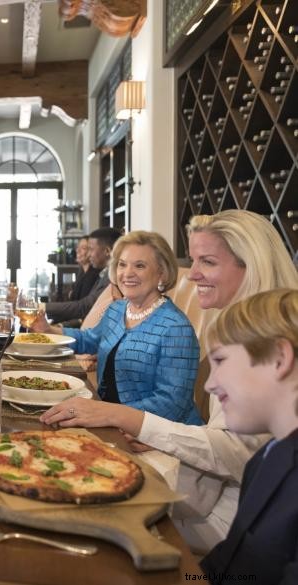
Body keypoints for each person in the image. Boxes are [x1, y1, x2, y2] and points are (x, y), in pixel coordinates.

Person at [40, 210, 298, 553]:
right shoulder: (229, 324)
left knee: (74, 504)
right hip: (210, 488)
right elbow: (90, 337)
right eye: (193, 261)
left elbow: (234, 452)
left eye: (207, 261)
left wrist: (125, 418)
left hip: (230, 513)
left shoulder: (207, 330)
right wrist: (52, 332)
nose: (192, 275)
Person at [35, 230, 202, 424]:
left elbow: (172, 404)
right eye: (122, 265)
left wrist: (106, 412)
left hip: (153, 433)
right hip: (106, 417)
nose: (127, 273)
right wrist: (49, 330)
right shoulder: (117, 308)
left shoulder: (176, 328)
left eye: (140, 266)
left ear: (161, 273)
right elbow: (90, 339)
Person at [200, 289, 298, 585]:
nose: (209, 385)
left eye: (220, 360)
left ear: (280, 358)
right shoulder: (268, 456)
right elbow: (230, 562)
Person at [42, 226, 121, 323]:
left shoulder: (112, 276)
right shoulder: (103, 273)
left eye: (91, 249)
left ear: (107, 251)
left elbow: (84, 307)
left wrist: (43, 306)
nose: (89, 254)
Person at [69, 236, 101, 301]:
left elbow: (82, 303)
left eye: (83, 248)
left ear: (91, 251)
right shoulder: (82, 270)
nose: (78, 250)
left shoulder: (94, 274)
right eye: (78, 247)